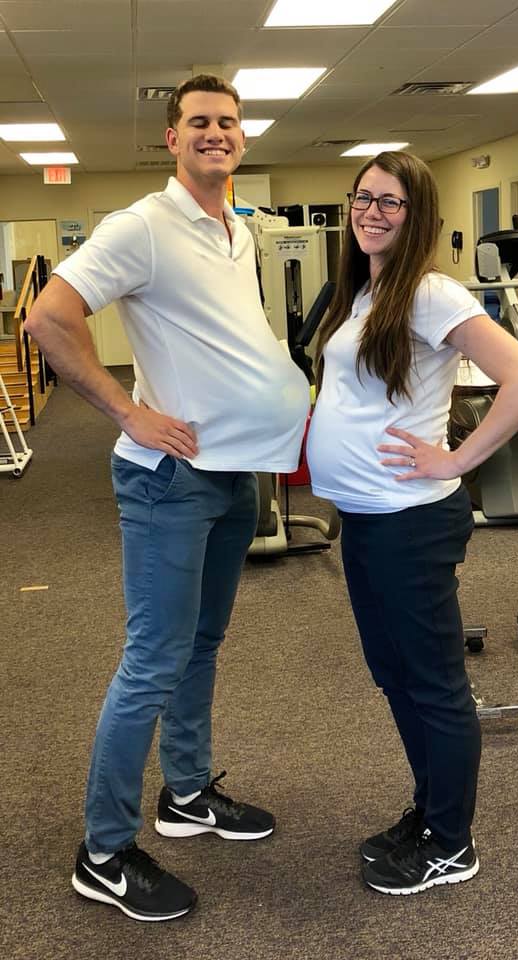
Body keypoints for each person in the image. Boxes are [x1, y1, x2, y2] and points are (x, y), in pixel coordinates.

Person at [24, 74, 310, 922]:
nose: (216, 132)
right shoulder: (143, 225)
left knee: (201, 644)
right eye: (198, 122)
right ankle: (104, 852)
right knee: (153, 659)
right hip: (169, 480)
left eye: (228, 121)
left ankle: (185, 794)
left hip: (234, 473)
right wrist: (128, 411)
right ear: (172, 138)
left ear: (242, 137)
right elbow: (48, 318)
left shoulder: (237, 230)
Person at [306, 151, 518, 896]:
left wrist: (457, 459)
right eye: (364, 197)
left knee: (435, 686)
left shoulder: (430, 292)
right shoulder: (364, 291)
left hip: (410, 522)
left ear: (417, 216)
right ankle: (429, 811)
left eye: (391, 201)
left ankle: (451, 843)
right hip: (365, 518)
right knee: (396, 678)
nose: (372, 212)